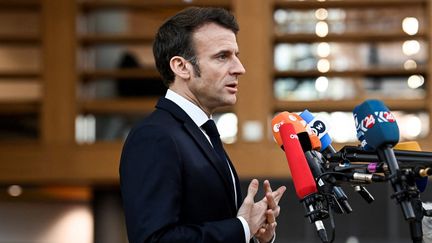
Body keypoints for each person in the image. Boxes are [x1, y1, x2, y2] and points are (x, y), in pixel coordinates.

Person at [119, 6, 286, 243]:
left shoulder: (201, 131)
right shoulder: (155, 136)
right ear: (181, 67)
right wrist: (242, 228)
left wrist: (257, 235)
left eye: (236, 55)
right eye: (222, 56)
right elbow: (154, 239)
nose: (239, 68)